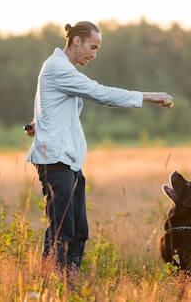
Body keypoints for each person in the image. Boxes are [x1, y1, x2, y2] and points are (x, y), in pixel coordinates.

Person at [24, 21, 174, 286]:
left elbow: (51, 103)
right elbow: (100, 93)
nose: (94, 54)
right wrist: (149, 96)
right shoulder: (58, 67)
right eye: (92, 47)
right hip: (55, 162)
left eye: (97, 49)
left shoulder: (61, 69)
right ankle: (51, 288)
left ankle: (69, 285)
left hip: (68, 162)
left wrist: (39, 123)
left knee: (79, 231)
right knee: (62, 232)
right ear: (77, 41)